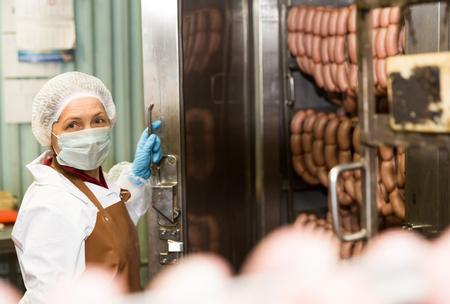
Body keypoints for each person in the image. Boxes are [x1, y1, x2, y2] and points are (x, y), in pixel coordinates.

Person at [11, 71, 162, 303]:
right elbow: (49, 298)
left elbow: (110, 228)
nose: (89, 134)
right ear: (50, 135)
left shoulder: (93, 183)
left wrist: (136, 176)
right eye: (73, 125)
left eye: (98, 121)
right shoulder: (49, 205)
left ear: (110, 123)